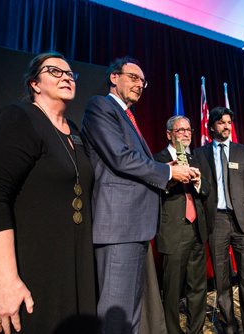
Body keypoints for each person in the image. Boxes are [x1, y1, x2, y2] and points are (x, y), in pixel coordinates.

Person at [0, 52, 97, 334]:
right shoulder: (19, 117)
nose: (66, 77)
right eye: (55, 71)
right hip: (23, 265)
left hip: (59, 269)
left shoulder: (73, 131)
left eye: (70, 73)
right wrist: (6, 280)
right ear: (35, 83)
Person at [81, 57, 195, 334]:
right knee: (116, 315)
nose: (140, 84)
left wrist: (167, 168)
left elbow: (131, 163)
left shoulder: (128, 117)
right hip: (119, 226)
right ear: (114, 78)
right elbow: (121, 158)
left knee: (129, 312)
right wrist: (168, 174)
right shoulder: (101, 106)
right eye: (133, 77)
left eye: (143, 81)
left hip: (134, 227)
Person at [194, 106, 244, 334]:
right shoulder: (199, 154)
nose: (226, 126)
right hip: (217, 221)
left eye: (228, 122)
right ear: (211, 126)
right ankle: (229, 326)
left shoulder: (243, 151)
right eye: (221, 122)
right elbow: (198, 188)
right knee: (222, 280)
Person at [153, 116, 209, 334]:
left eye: (188, 130)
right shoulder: (157, 159)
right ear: (169, 134)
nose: (186, 134)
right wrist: (172, 178)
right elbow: (152, 191)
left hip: (196, 230)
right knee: (173, 291)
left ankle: (196, 330)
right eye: (180, 130)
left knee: (198, 287)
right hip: (173, 233)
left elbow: (207, 190)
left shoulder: (195, 158)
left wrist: (199, 183)